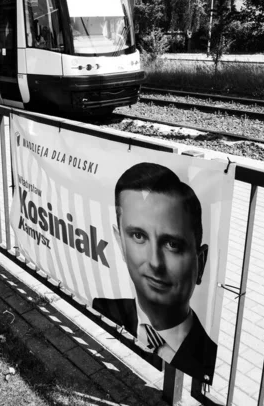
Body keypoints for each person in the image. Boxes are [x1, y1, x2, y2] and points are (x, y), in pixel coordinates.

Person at [92, 162, 217, 384]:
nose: (155, 262)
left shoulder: (205, 355)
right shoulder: (102, 308)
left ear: (201, 261)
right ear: (120, 242)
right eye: (138, 236)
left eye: (172, 244)